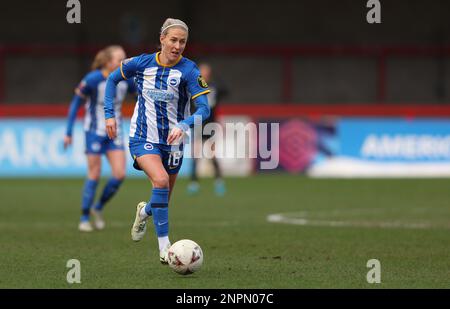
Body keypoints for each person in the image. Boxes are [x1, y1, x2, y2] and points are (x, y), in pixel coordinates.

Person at [104, 18, 211, 264]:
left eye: (182, 41)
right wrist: (109, 115)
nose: (177, 46)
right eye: (173, 40)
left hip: (173, 142)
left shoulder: (190, 71)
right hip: (143, 136)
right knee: (160, 180)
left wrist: (184, 125)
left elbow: (203, 109)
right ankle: (165, 248)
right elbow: (112, 79)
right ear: (162, 38)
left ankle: (144, 212)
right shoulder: (141, 63)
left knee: (163, 198)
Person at [64, 45, 135, 232]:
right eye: (120, 59)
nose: (124, 62)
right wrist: (69, 132)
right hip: (94, 131)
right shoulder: (93, 79)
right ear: (107, 62)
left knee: (120, 174)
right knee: (94, 173)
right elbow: (75, 104)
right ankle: (85, 217)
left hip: (115, 133)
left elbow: (142, 95)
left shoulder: (126, 79)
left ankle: (98, 207)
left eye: (125, 59)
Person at [187, 62, 228, 196]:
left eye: (206, 71)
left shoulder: (214, 87)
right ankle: (194, 183)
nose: (204, 74)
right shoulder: (194, 86)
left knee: (212, 154)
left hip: (211, 124)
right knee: (196, 154)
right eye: (202, 71)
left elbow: (226, 91)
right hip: (198, 123)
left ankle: (218, 181)